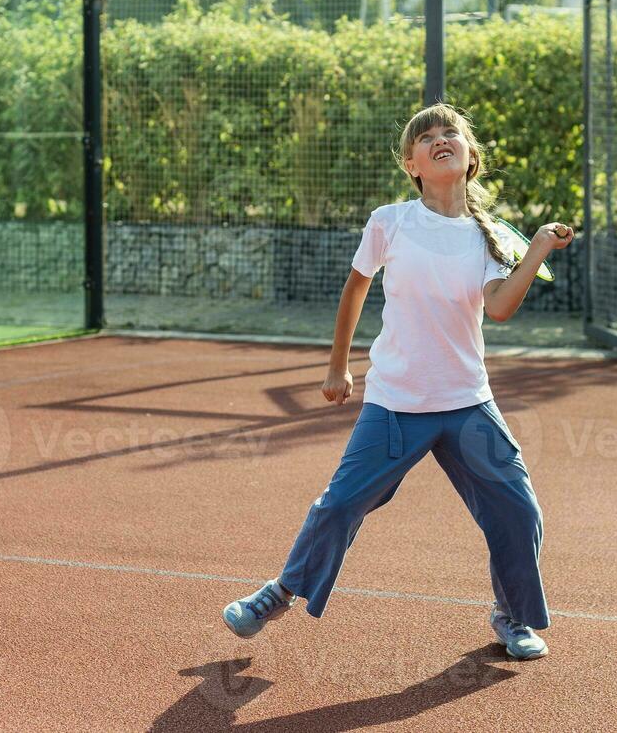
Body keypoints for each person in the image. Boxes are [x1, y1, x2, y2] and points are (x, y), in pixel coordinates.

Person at [221, 103, 573, 661]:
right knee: (339, 505)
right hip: (394, 401)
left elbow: (501, 306)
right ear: (412, 164)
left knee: (518, 509)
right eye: (425, 137)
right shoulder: (390, 221)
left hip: (466, 402)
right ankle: (279, 593)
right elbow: (356, 288)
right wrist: (338, 366)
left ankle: (513, 616)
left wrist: (535, 248)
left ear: (469, 156)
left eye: (449, 133)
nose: (439, 140)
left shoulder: (489, 240)